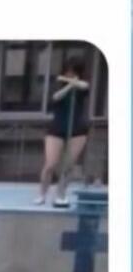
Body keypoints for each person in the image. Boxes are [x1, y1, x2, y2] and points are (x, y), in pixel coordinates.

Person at [36, 56, 91, 208]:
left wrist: (75, 83)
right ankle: (42, 194)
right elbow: (55, 97)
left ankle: (61, 194)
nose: (69, 75)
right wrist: (69, 85)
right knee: (51, 164)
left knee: (68, 165)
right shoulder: (58, 84)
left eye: (73, 73)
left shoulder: (82, 86)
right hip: (57, 127)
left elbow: (85, 86)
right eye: (67, 72)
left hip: (77, 128)